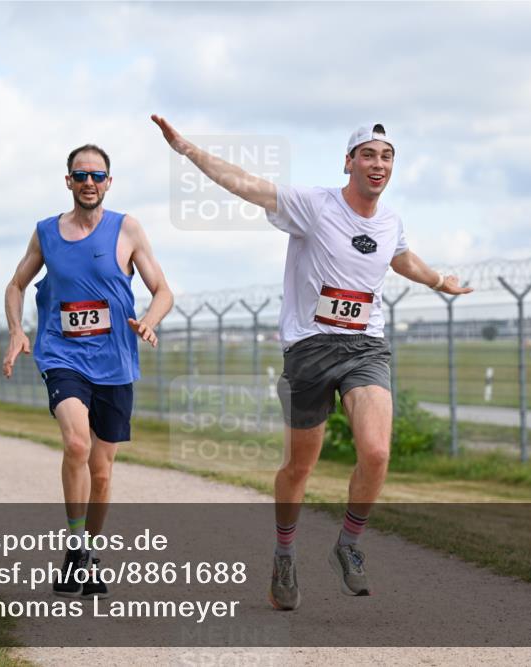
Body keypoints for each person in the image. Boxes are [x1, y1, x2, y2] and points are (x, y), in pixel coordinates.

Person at [152, 115, 472, 610]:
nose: (378, 164)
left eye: (386, 157)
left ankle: (348, 544)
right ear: (348, 162)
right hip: (310, 348)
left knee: (377, 452)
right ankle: (284, 555)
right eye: (368, 154)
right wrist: (188, 151)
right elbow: (248, 185)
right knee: (299, 467)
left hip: (365, 347)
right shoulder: (314, 205)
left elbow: (400, 257)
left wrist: (437, 281)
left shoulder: (390, 221)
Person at [2, 144, 173, 598]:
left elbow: (162, 290)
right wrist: (17, 330)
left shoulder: (127, 228)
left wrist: (150, 320)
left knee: (101, 470)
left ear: (109, 182)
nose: (89, 183)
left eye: (97, 176)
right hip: (62, 355)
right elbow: (16, 285)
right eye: (81, 175)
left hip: (114, 361)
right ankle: (77, 546)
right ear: (69, 182)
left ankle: (86, 555)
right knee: (77, 443)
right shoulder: (46, 233)